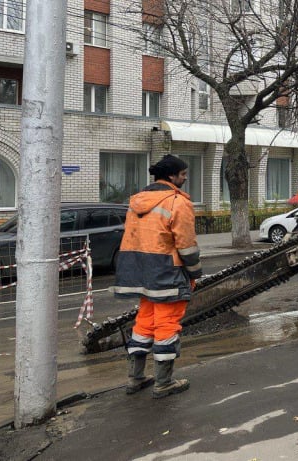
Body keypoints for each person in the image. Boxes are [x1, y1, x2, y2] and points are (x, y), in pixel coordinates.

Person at [110, 155, 202, 399]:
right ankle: (164, 383)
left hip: (139, 272)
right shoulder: (177, 203)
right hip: (167, 273)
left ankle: (135, 378)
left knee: (144, 323)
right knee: (167, 325)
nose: (185, 178)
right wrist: (194, 272)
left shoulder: (136, 201)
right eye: (183, 174)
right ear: (172, 176)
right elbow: (186, 245)